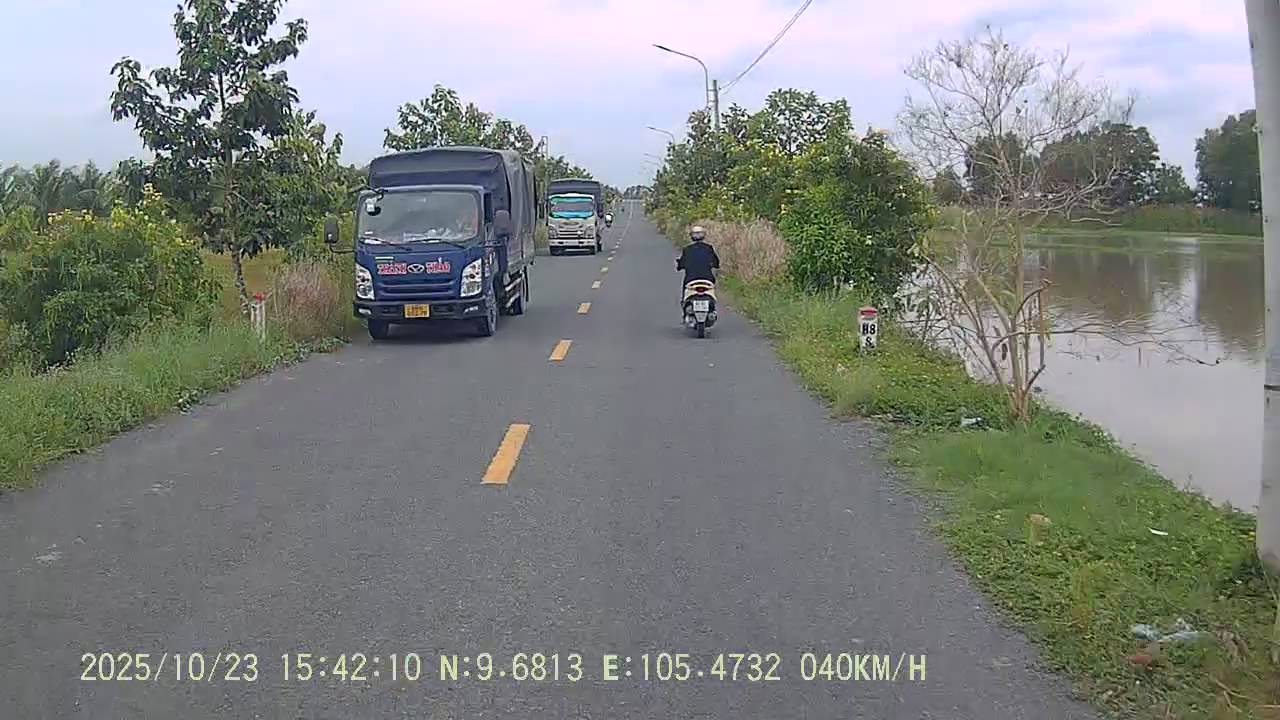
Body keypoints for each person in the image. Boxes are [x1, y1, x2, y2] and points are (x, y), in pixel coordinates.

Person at [676, 225, 720, 299]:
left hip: (691, 279)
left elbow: (681, 264)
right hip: (708, 279)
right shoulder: (708, 248)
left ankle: (683, 300)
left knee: (685, 294)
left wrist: (679, 265)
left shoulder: (687, 250)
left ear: (691, 236)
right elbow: (716, 263)